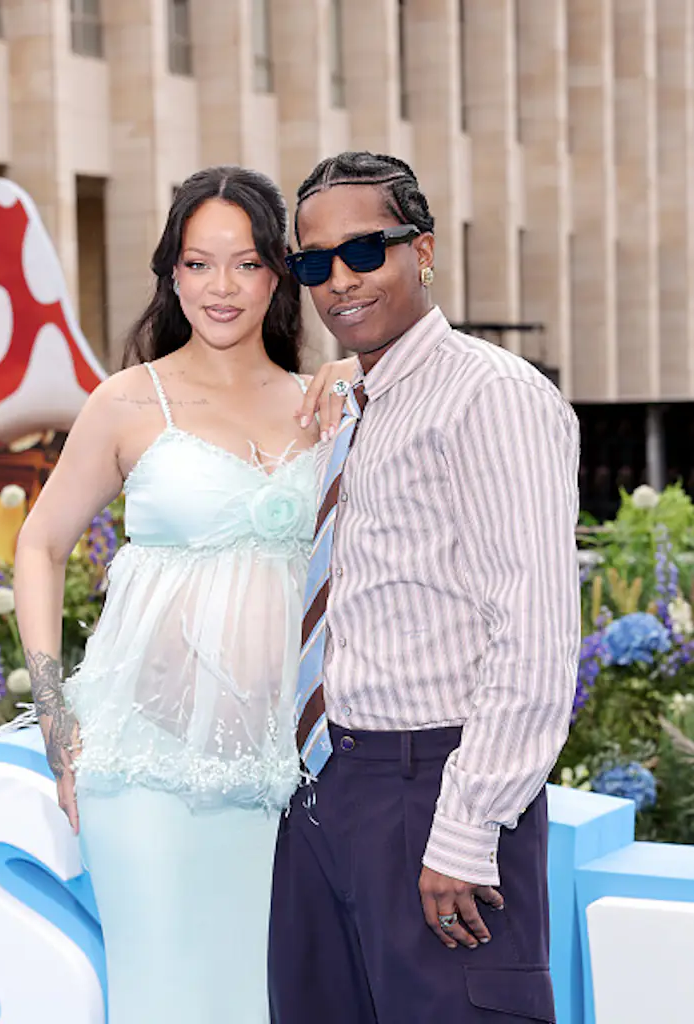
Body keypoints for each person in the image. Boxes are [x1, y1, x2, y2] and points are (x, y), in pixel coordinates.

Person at [13, 165, 350, 1024]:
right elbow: (40, 544)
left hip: (288, 772)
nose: (221, 287)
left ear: (279, 272)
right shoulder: (128, 401)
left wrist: (356, 375)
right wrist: (55, 719)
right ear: (171, 273)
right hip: (149, 767)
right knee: (167, 1000)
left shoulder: (322, 402)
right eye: (198, 264)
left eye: (243, 263)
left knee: (268, 1001)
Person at [270, 151, 581, 1023]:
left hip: (436, 788)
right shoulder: (363, 404)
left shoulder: (489, 396)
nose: (339, 281)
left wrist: (467, 822)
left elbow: (535, 627)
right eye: (312, 263)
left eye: (364, 251)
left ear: (424, 250)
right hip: (330, 788)